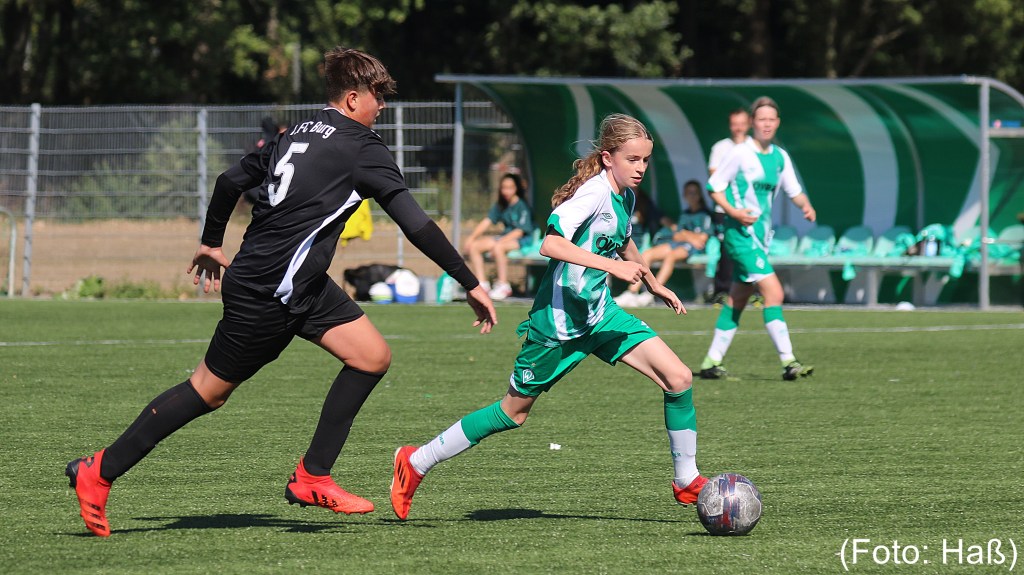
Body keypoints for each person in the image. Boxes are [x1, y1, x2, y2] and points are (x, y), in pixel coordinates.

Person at [65, 47, 497, 538]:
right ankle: (100, 470)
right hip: (268, 291)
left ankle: (312, 476)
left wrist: (211, 242)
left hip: (300, 285)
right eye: (378, 97)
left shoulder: (298, 131)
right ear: (352, 98)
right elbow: (416, 224)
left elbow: (229, 181)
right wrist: (470, 282)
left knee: (371, 357)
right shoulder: (362, 146)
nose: (382, 107)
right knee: (208, 391)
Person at [389, 113, 707, 521]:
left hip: (599, 315)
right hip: (557, 325)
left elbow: (624, 240)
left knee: (678, 378)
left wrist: (652, 281)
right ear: (607, 158)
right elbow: (551, 245)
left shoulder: (625, 194)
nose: (640, 168)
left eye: (645, 160)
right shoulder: (593, 194)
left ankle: (686, 479)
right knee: (512, 413)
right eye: (632, 159)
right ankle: (416, 461)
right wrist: (613, 268)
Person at [697, 96, 815, 382]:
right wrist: (734, 212)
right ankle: (789, 361)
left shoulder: (779, 156)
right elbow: (714, 186)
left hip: (760, 238)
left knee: (738, 297)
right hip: (740, 235)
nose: (767, 124)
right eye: (761, 119)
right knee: (774, 292)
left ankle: (711, 362)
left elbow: (794, 190)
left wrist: (807, 206)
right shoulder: (740, 153)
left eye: (771, 119)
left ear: (778, 123)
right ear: (753, 122)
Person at [615, 179, 713, 307]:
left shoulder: (705, 214)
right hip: (680, 244)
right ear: (684, 195)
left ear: (700, 195)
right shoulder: (685, 214)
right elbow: (677, 235)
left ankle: (651, 294)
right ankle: (631, 292)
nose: (692, 196)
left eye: (694, 193)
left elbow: (702, 239)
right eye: (689, 193)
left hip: (693, 248)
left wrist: (685, 235)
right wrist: (690, 236)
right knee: (648, 254)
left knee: (671, 256)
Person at [462, 173, 536, 300]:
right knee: (475, 247)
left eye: (510, 188)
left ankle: (503, 285)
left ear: (516, 188)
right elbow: (487, 222)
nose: (506, 191)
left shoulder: (522, 206)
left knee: (498, 248)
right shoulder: (501, 205)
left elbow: (519, 232)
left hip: (522, 239)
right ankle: (482, 284)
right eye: (503, 188)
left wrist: (499, 242)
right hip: (504, 237)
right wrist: (471, 238)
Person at [704, 108, 751, 303]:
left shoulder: (754, 147)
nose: (738, 128)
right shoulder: (721, 148)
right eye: (735, 124)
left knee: (750, 249)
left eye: (742, 124)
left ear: (748, 124)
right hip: (724, 209)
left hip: (750, 209)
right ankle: (722, 291)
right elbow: (715, 178)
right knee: (726, 251)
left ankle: (751, 291)